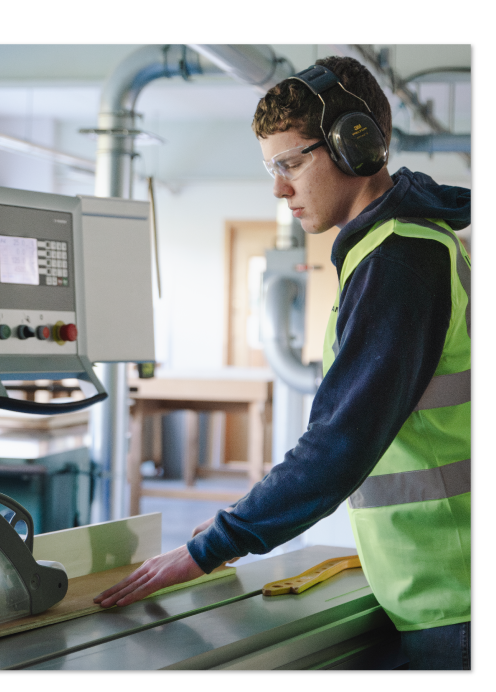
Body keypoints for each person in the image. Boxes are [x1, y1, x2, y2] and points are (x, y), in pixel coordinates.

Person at [94, 56, 470, 671]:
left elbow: (338, 443)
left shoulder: (399, 261)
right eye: (273, 168)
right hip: (435, 583)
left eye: (292, 163)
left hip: (451, 594)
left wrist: (214, 545)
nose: (279, 187)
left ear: (356, 145)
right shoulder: (400, 243)